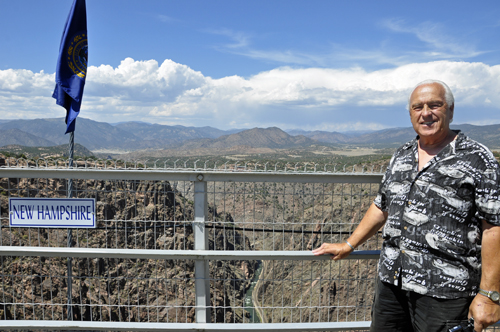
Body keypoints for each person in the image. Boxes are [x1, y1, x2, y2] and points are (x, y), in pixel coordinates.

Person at [313, 80, 500, 332]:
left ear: (451, 110)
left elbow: (494, 227)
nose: (426, 113)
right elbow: (381, 206)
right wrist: (349, 244)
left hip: (446, 290)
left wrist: (490, 294)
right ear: (411, 114)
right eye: (417, 107)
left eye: (435, 105)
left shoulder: (477, 158)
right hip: (392, 282)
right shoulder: (402, 155)